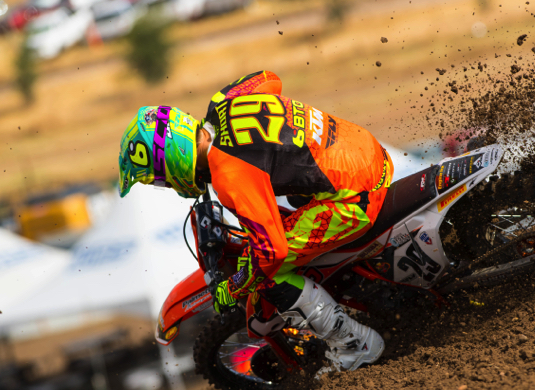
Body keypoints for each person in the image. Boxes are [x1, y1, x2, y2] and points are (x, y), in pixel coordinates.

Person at [118, 71, 393, 374]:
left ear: (171, 158)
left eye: (159, 180)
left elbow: (271, 252)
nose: (167, 185)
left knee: (266, 274)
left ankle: (357, 344)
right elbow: (269, 78)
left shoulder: (228, 173)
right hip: (366, 150)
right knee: (291, 203)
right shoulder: (224, 101)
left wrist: (234, 286)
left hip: (355, 198)